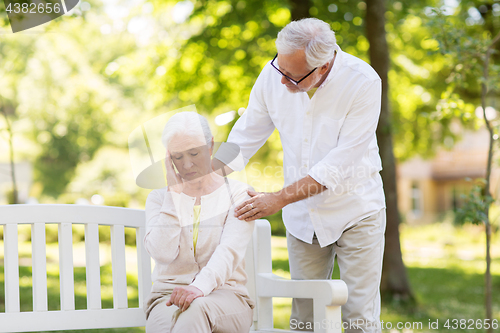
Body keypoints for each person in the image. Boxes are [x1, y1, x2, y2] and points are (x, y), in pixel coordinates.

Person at [214, 18, 386, 333]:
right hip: (302, 216)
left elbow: (340, 163)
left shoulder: (363, 82)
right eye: (279, 68)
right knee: (305, 319)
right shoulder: (273, 75)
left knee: (359, 317)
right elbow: (245, 136)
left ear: (322, 67)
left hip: (356, 209)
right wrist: (208, 175)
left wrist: (277, 199)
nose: (281, 80)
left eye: (291, 75)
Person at [144, 111, 255, 333]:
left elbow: (228, 253)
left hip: (227, 297)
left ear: (210, 146)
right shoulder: (159, 198)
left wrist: (197, 288)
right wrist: (174, 196)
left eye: (194, 153)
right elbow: (162, 253)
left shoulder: (238, 195)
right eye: (177, 157)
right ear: (168, 157)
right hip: (167, 297)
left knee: (195, 309)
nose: (186, 165)